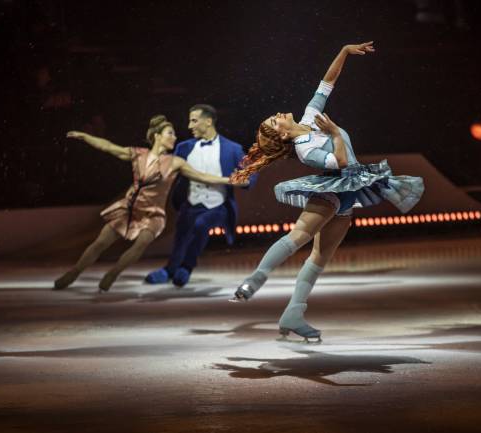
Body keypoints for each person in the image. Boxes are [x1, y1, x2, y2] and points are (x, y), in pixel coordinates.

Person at [228, 42, 425, 342]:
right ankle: (255, 280)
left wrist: (344, 51)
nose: (278, 113)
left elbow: (327, 83)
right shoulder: (305, 149)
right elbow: (340, 162)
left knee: (320, 257)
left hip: (348, 195)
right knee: (299, 237)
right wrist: (334, 134)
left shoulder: (308, 117)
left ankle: (294, 312)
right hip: (334, 189)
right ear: (282, 133)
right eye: (274, 119)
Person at [53, 115, 238, 292]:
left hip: (153, 214)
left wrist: (229, 180)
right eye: (170, 133)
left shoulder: (175, 162)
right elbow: (109, 147)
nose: (174, 137)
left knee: (141, 243)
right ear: (157, 136)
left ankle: (113, 273)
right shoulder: (138, 155)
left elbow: (202, 176)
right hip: (129, 208)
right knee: (100, 243)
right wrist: (86, 136)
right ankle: (74, 272)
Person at [144, 104, 253, 287]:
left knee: (201, 224)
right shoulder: (184, 148)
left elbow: (250, 175)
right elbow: (171, 174)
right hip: (191, 203)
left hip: (218, 205)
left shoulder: (232, 149)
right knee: (181, 236)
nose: (189, 126)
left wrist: (237, 180)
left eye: (194, 121)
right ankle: (170, 270)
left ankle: (186, 267)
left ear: (208, 121)